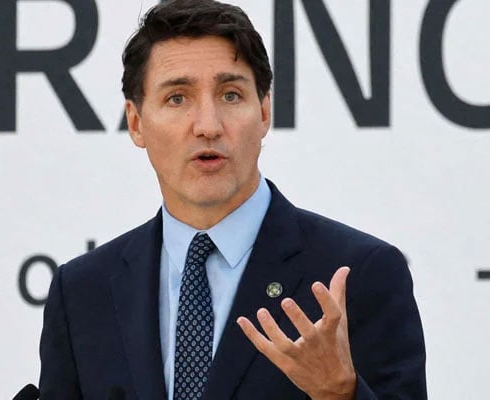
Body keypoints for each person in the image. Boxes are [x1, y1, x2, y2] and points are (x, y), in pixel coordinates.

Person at [39, 0, 426, 399]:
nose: (208, 126)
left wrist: (340, 393)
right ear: (136, 123)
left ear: (264, 112)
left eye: (230, 95)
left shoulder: (357, 274)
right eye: (177, 98)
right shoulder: (83, 292)